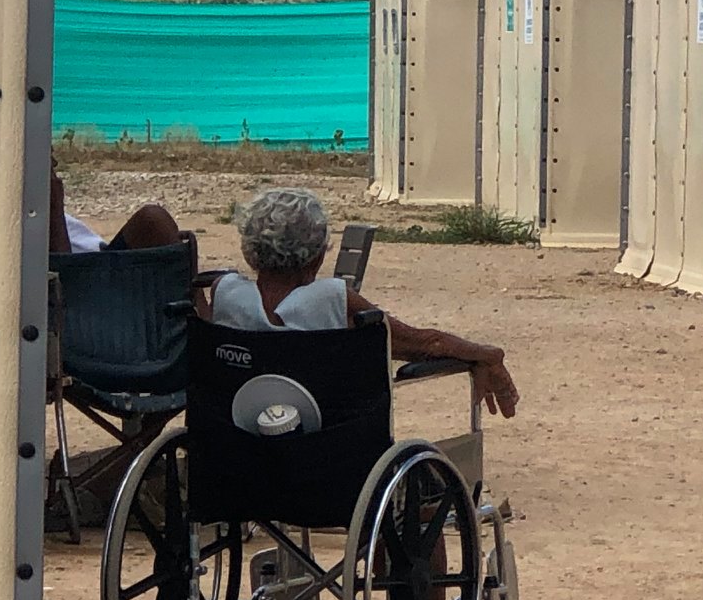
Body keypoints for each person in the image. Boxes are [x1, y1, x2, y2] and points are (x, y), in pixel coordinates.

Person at [206, 187, 520, 419]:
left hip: (237, 454)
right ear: (317, 255)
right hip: (327, 453)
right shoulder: (331, 299)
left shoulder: (225, 292)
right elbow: (424, 344)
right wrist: (486, 355)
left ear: (250, 252)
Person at [50, 162, 184, 254]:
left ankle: (194, 293)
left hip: (98, 259)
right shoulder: (41, 220)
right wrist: (54, 207)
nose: (55, 163)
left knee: (153, 219)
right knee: (153, 219)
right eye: (50, 159)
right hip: (87, 275)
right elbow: (61, 273)